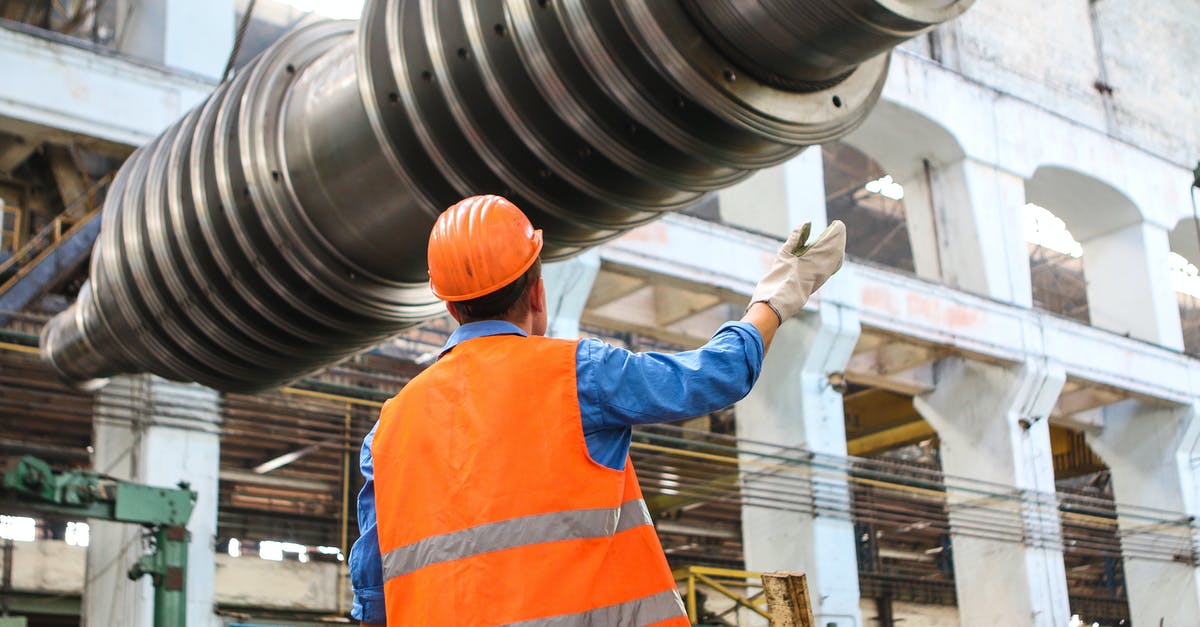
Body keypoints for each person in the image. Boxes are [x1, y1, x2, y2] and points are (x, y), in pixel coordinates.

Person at [350, 194, 846, 626]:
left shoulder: (388, 431)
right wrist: (778, 294)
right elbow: (716, 375)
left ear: (450, 307)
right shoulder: (579, 373)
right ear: (537, 291)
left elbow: (373, 597)